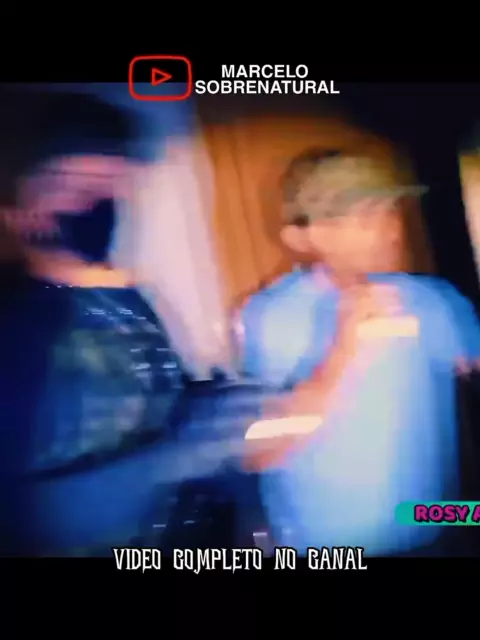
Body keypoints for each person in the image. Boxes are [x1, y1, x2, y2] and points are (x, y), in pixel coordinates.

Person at [239, 151, 480, 556]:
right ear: (304, 237)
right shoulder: (269, 316)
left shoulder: (436, 299)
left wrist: (469, 517)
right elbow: (260, 452)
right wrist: (343, 350)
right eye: (365, 217)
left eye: (390, 210)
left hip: (433, 528)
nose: (391, 230)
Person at [0, 92, 185, 555]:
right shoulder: (17, 329)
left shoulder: (128, 298)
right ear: (18, 209)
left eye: (112, 184)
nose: (100, 204)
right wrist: (183, 453)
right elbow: (29, 510)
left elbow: (156, 403)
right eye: (74, 186)